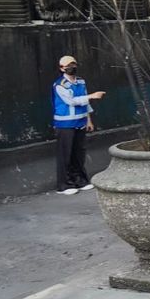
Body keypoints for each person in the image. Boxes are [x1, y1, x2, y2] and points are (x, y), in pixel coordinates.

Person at [52, 55, 106, 195]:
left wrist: (88, 120)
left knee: (78, 153)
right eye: (68, 65)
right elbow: (72, 101)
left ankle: (80, 180)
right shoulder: (60, 85)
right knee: (66, 154)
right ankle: (64, 185)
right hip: (65, 124)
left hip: (80, 121)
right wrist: (92, 96)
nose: (72, 67)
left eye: (73, 64)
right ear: (61, 68)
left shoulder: (81, 81)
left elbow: (84, 102)